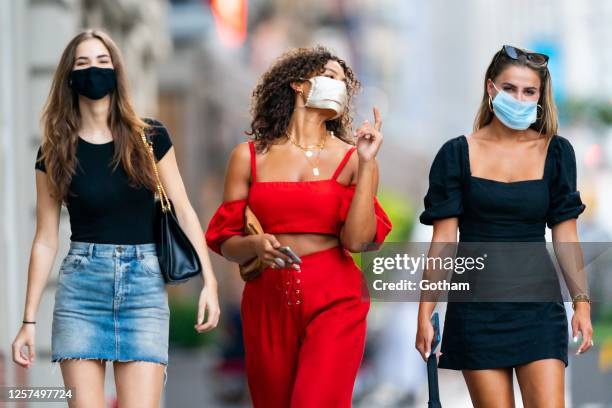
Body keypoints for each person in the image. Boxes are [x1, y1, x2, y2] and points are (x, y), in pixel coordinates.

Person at [11, 29, 220, 407]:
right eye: (84, 63)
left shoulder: (150, 136)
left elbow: (185, 210)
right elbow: (45, 238)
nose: (94, 70)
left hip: (144, 288)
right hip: (81, 291)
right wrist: (28, 321)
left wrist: (210, 282)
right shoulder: (55, 151)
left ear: (117, 72)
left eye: (103, 62)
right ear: (70, 77)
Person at [205, 46, 392, 408]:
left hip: (335, 297)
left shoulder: (354, 158)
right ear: (299, 85)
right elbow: (226, 240)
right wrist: (256, 245)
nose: (340, 86)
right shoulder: (247, 157)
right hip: (267, 300)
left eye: (344, 82)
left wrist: (368, 164)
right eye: (331, 77)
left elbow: (357, 241)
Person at [416, 45, 593, 407]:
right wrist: (425, 312)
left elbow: (566, 235)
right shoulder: (456, 153)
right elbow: (444, 241)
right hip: (476, 310)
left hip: (538, 308)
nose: (520, 98)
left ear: (541, 97)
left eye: (530, 91)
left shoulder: (557, 152)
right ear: (490, 88)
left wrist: (582, 303)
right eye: (510, 88)